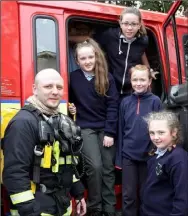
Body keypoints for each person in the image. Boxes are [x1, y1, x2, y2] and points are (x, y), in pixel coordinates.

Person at [2, 69, 86, 216]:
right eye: (48, 86)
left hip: (61, 207)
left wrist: (78, 194)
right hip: (36, 209)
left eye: (59, 87)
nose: (55, 91)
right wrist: (29, 210)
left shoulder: (61, 120)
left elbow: (66, 163)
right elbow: (14, 173)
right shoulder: (23, 123)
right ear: (35, 89)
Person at [68, 38, 119, 216]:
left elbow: (113, 106)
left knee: (107, 168)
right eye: (83, 58)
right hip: (85, 127)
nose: (88, 61)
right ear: (77, 60)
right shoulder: (72, 78)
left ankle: (109, 209)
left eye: (91, 57)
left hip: (106, 128)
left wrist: (110, 132)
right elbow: (70, 100)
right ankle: (95, 208)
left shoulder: (107, 77)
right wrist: (70, 107)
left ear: (96, 57)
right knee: (95, 167)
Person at [115, 64, 162, 216]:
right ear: (131, 81)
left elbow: (161, 129)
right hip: (129, 156)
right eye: (135, 79)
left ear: (149, 81)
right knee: (128, 196)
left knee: (146, 193)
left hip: (148, 156)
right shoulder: (125, 102)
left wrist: (157, 154)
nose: (139, 83)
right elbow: (121, 131)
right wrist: (119, 159)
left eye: (142, 79)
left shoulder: (155, 101)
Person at [94, 7, 158, 99]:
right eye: (126, 23)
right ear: (120, 23)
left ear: (139, 25)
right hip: (110, 87)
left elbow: (142, 53)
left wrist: (149, 71)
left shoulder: (143, 41)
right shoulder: (110, 35)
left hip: (131, 89)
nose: (129, 28)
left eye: (134, 24)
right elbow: (91, 41)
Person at [141, 111, 188, 216]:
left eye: (161, 132)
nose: (155, 137)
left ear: (174, 132)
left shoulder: (178, 159)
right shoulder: (156, 153)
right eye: (152, 133)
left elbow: (182, 198)